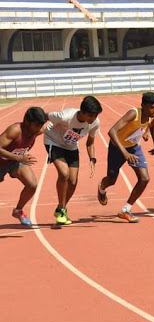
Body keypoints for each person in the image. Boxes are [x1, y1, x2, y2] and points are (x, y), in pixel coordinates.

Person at [97, 92, 154, 223]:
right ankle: (101, 188)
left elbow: (152, 126)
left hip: (134, 147)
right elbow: (112, 131)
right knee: (111, 180)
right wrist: (125, 153)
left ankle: (125, 210)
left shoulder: (152, 115)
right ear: (143, 106)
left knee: (144, 178)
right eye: (151, 107)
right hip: (117, 148)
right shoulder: (133, 114)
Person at [44, 96, 102, 225]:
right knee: (64, 174)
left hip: (71, 146)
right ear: (82, 112)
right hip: (53, 141)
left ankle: (60, 208)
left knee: (73, 181)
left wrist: (92, 158)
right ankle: (62, 209)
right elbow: (43, 115)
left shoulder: (95, 122)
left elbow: (90, 142)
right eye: (91, 115)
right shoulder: (65, 116)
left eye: (96, 115)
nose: (93, 118)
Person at [0, 107, 48, 226]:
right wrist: (18, 158)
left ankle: (18, 211)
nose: (39, 128)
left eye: (40, 125)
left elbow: (54, 121)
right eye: (36, 125)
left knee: (32, 185)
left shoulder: (37, 130)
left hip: (14, 162)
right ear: (27, 121)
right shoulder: (15, 130)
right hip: (4, 162)